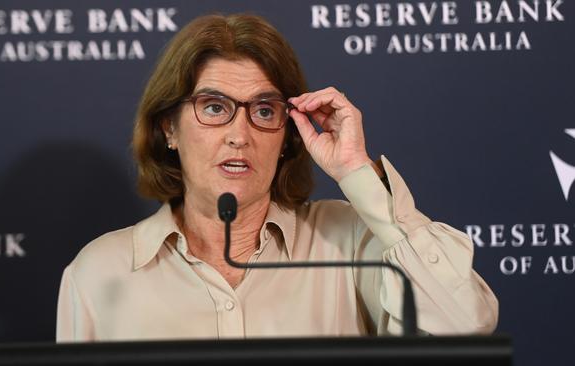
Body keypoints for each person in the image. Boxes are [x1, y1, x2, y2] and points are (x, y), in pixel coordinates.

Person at [56, 13, 498, 341]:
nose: (239, 135)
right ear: (168, 127)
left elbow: (464, 325)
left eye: (264, 111)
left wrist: (355, 170)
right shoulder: (99, 271)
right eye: (214, 107)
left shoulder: (348, 240)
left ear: (288, 135)